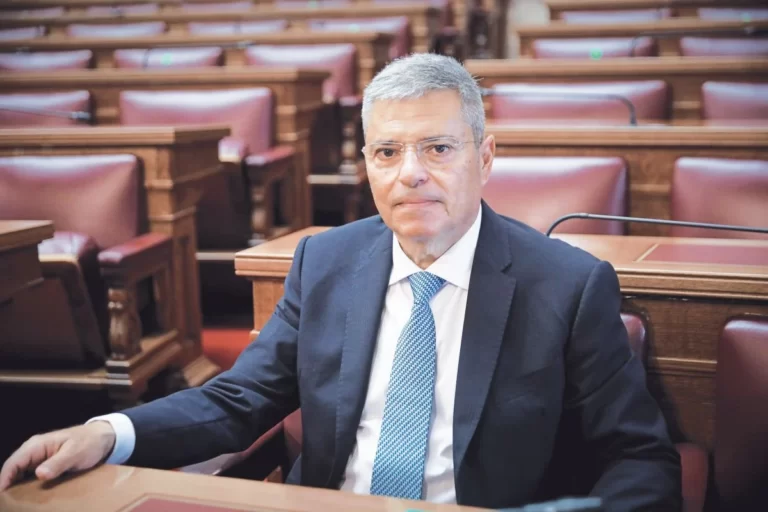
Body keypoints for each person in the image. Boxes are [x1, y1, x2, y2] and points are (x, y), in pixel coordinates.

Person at [0, 53, 681, 510]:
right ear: (366, 164)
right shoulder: (324, 263)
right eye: (387, 151)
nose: (410, 173)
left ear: (485, 156)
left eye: (438, 148)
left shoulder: (568, 286)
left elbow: (640, 459)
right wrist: (108, 431)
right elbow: (239, 399)